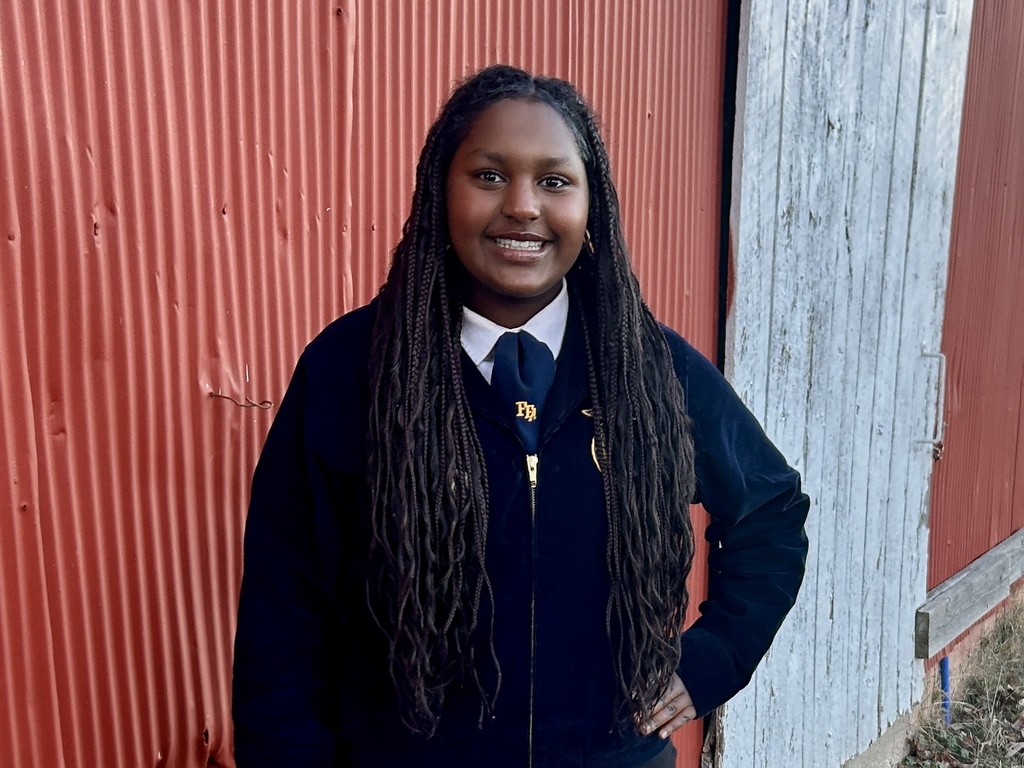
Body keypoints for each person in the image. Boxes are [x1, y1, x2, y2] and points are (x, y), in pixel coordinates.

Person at [232, 64, 809, 768]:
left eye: (555, 181)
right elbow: (284, 609)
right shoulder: (350, 372)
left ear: (591, 204)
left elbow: (770, 510)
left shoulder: (649, 370)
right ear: (441, 190)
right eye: (489, 175)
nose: (523, 207)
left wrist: (712, 658)